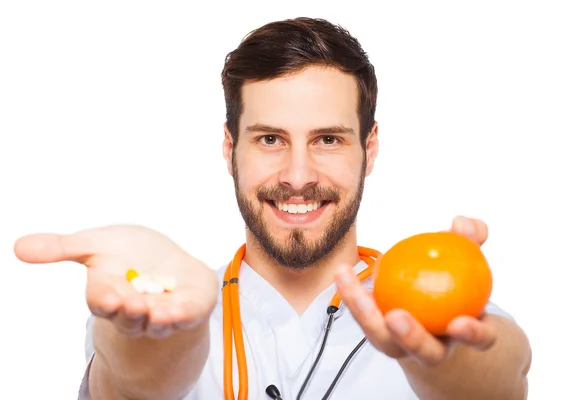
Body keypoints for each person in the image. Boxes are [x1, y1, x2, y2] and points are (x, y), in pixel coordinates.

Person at [14, 17, 532, 400]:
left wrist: (447, 371)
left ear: (369, 149)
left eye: (328, 139)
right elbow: (125, 384)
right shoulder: (165, 310)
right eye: (270, 139)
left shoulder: (445, 313)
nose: (299, 176)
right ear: (229, 148)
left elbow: (498, 378)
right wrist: (155, 348)